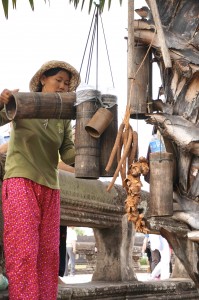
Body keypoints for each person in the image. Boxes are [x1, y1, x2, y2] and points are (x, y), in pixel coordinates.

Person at [0, 60, 80, 300]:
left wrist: (92, 145)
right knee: (23, 252)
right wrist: (2, 102)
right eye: (58, 80)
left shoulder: (64, 117)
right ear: (43, 79)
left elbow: (68, 153)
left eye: (67, 83)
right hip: (20, 181)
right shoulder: (23, 103)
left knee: (48, 256)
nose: (63, 86)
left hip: (51, 188)